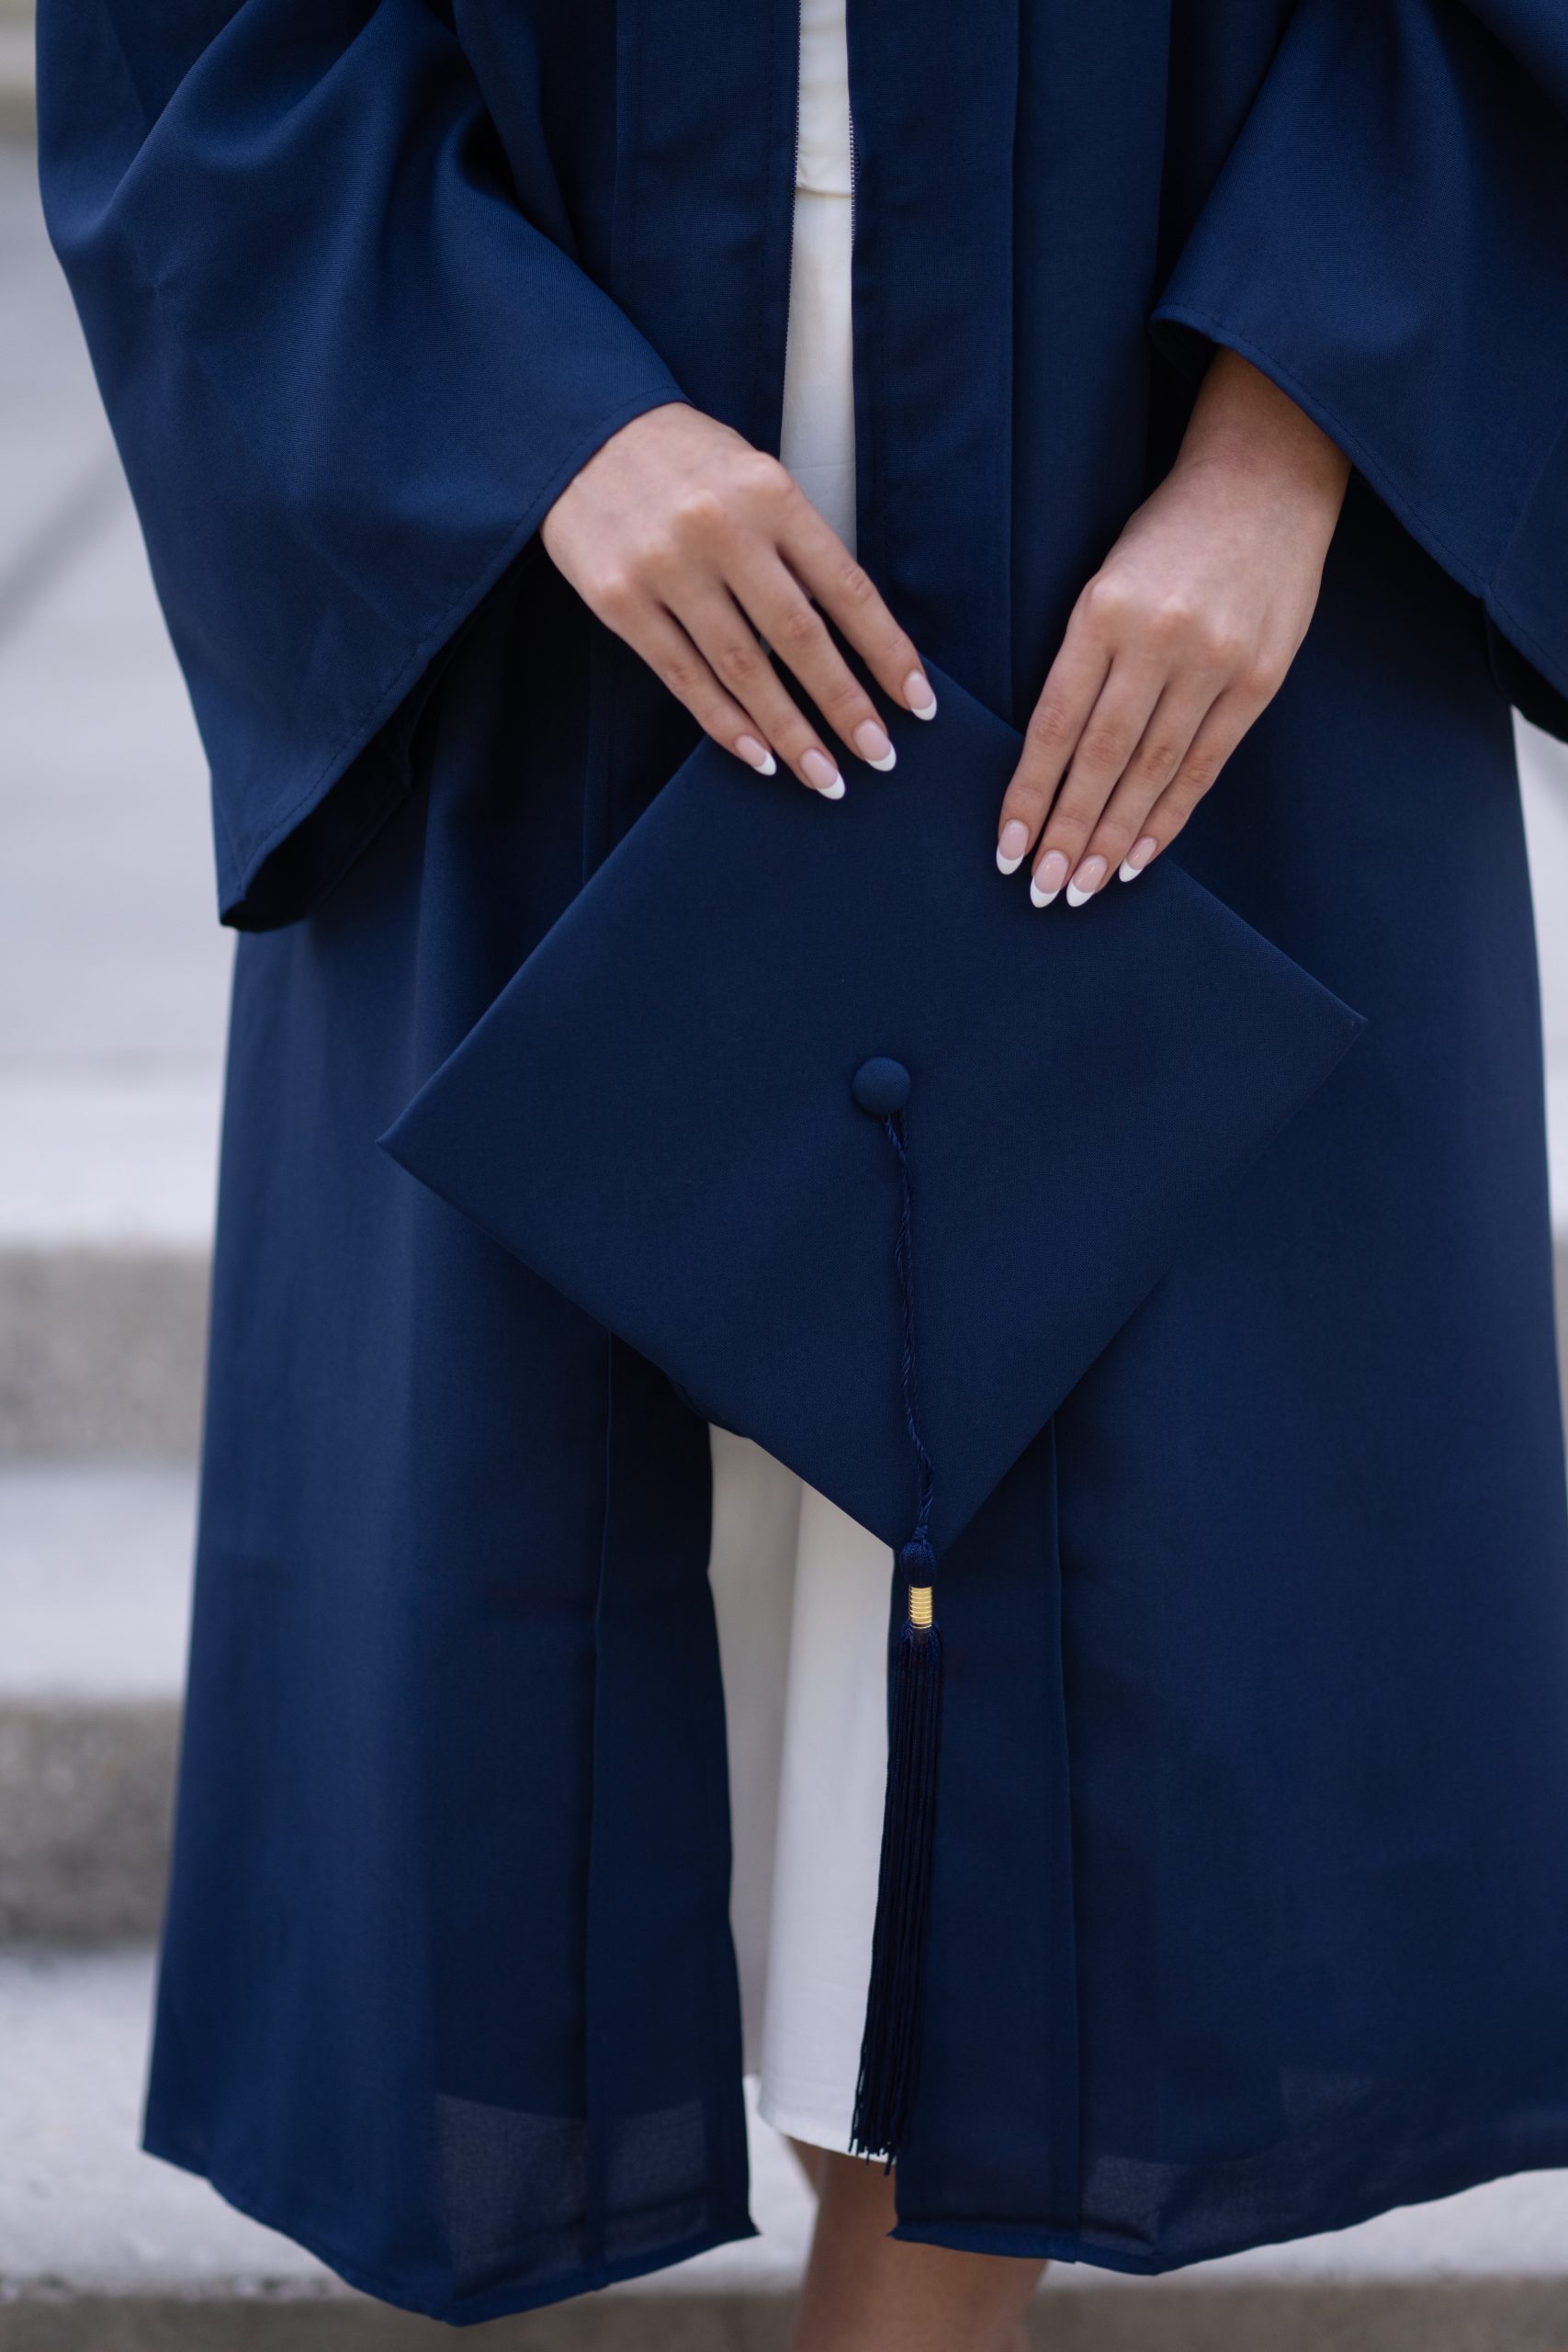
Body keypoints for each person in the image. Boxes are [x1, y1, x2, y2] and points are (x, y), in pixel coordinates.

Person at [39, 0, 1568, 2341]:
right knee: (557, 1561)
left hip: (1164, 476)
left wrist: (1284, 450)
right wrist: (520, 405)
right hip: (550, 491)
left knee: (1035, 1598)